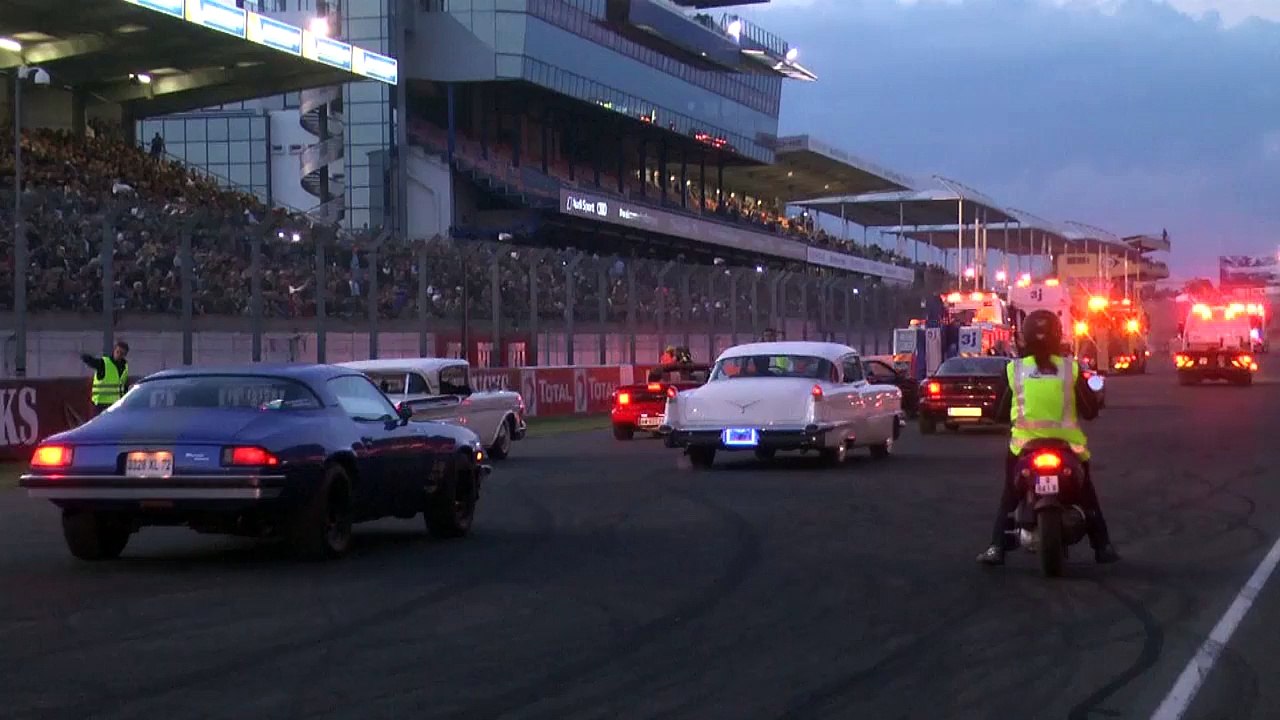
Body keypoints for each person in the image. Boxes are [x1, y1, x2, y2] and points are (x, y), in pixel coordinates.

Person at [977, 310, 1119, 565]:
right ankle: (1103, 546)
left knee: (1009, 496)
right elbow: (1089, 410)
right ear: (1058, 336)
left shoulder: (1014, 369)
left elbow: (998, 412)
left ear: (1025, 337)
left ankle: (996, 547)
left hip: (1024, 446)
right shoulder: (1070, 369)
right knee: (1087, 496)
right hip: (1068, 447)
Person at [82, 341, 130, 413]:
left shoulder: (125, 367)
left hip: (116, 404)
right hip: (100, 404)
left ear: (125, 355)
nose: (119, 355)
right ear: (114, 351)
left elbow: (123, 385)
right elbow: (93, 362)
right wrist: (85, 357)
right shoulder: (104, 363)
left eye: (122, 353)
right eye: (118, 352)